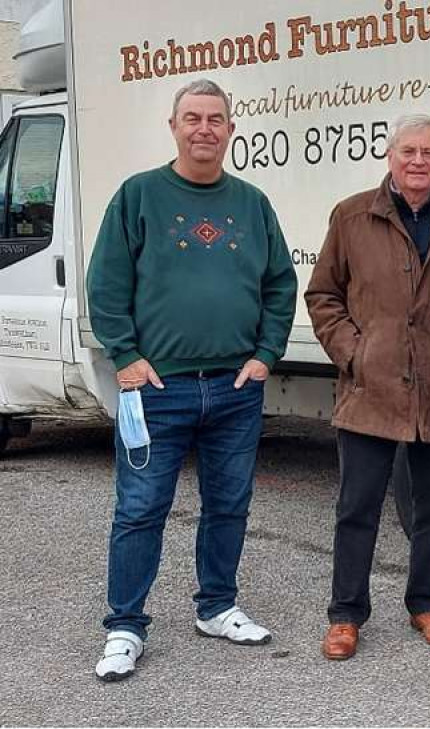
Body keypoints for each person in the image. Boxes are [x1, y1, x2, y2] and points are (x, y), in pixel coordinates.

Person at [87, 79, 298, 682]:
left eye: (216, 119)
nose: (204, 128)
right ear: (174, 126)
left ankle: (217, 607)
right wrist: (125, 355)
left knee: (229, 504)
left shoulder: (252, 203)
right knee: (140, 508)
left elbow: (280, 284)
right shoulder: (139, 196)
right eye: (192, 118)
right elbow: (106, 284)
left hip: (235, 388)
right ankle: (125, 627)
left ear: (231, 129)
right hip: (156, 391)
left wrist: (265, 354)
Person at [305, 114, 430, 661]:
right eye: (408, 151)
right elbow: (323, 295)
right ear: (390, 156)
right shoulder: (353, 215)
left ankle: (427, 604)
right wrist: (353, 354)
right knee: (356, 507)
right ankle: (345, 614)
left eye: (428, 153)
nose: (417, 161)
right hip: (371, 389)